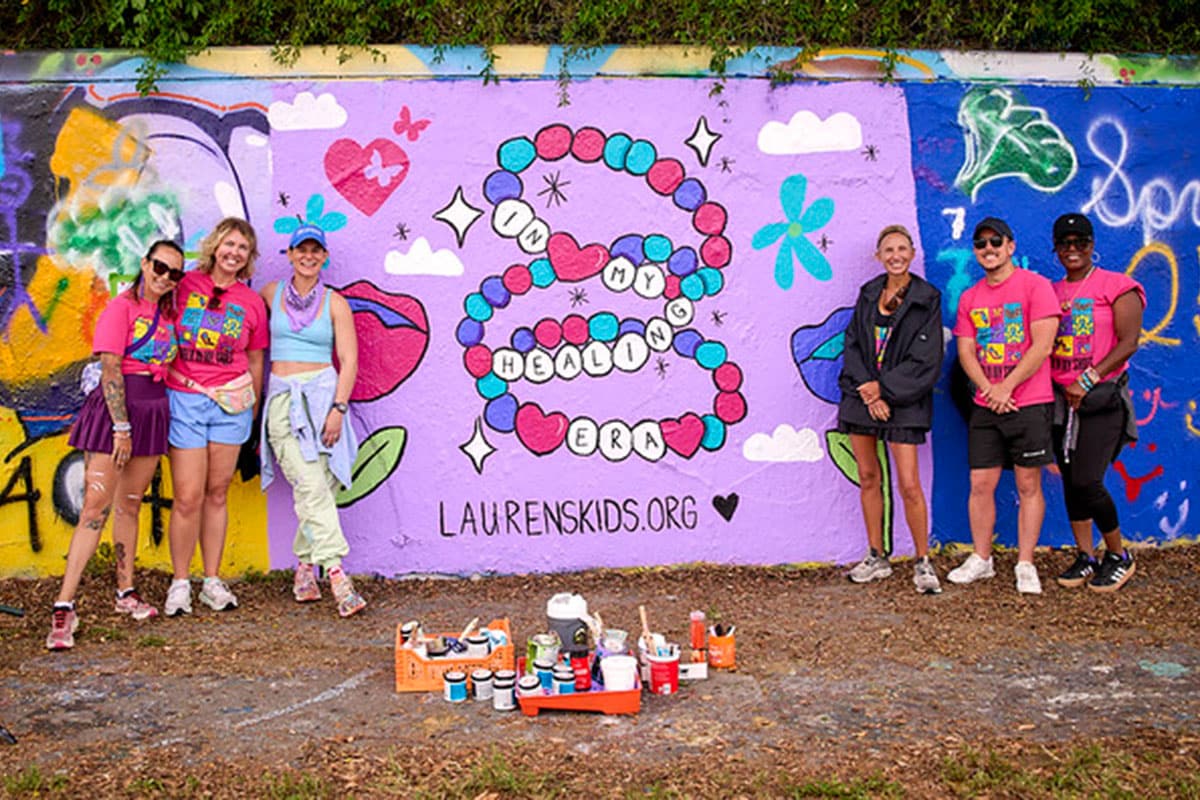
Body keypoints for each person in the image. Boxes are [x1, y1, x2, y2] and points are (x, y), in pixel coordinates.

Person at [47, 240, 184, 649]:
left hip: (153, 411)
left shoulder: (167, 315)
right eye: (159, 267)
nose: (165, 278)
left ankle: (125, 592)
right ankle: (64, 605)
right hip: (117, 414)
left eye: (174, 273)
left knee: (130, 503)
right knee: (95, 505)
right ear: (144, 264)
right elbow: (111, 369)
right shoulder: (120, 309)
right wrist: (121, 427)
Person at [259, 224, 365, 617]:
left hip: (323, 397)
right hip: (285, 400)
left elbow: (349, 359)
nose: (308, 256)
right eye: (300, 249)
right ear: (289, 254)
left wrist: (338, 409)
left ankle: (305, 568)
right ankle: (336, 573)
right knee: (309, 482)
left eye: (315, 250)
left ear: (324, 257)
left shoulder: (336, 303)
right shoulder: (269, 295)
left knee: (320, 483)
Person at [164, 218, 269, 616]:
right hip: (186, 399)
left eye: (243, 248)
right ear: (214, 246)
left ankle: (211, 579)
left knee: (217, 492)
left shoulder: (252, 302)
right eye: (229, 244)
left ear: (248, 258)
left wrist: (254, 404)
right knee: (188, 495)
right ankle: (179, 583)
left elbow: (256, 357)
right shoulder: (186, 285)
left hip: (232, 404)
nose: (234, 252)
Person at [949, 217, 1059, 594]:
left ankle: (1025, 563)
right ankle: (982, 558)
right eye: (980, 244)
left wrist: (1007, 386)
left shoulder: (1036, 286)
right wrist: (988, 388)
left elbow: (1042, 345)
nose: (988, 248)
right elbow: (965, 350)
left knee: (1029, 482)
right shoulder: (970, 297)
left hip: (1028, 402)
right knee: (980, 482)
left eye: (995, 241)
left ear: (1010, 246)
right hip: (985, 404)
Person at [838, 225, 945, 593]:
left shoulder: (927, 297)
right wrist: (869, 393)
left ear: (912, 254)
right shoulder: (868, 294)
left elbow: (927, 358)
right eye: (888, 250)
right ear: (879, 256)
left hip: (905, 400)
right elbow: (852, 345)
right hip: (862, 398)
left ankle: (922, 561)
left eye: (902, 249)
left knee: (909, 484)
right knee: (868, 477)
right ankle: (876, 556)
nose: (895, 255)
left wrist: (884, 390)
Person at [1048, 213, 1144, 592]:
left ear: (1092, 245)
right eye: (1065, 243)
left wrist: (1086, 380)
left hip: (1101, 400)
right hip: (1061, 403)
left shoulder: (1118, 287)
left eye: (1080, 242)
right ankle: (1085, 556)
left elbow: (1128, 342)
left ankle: (1119, 555)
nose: (1073, 250)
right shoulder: (1052, 293)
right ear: (1056, 249)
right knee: (1072, 482)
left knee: (1089, 479)